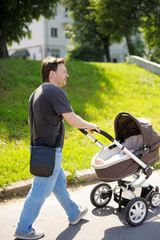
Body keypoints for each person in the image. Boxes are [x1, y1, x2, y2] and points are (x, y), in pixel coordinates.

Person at [14, 56, 100, 240]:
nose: (67, 75)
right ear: (52, 74)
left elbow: (31, 122)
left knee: (59, 183)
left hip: (38, 148)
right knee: (39, 191)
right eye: (64, 71)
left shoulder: (36, 92)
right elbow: (72, 119)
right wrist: (90, 125)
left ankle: (73, 212)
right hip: (50, 151)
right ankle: (23, 229)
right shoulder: (55, 92)